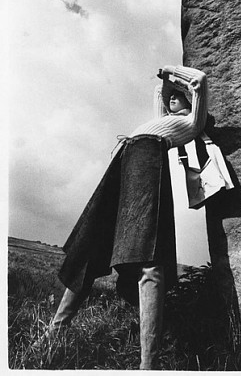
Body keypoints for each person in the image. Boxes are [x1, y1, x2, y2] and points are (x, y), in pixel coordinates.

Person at [36, 64, 209, 370]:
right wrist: (167, 83)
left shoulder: (192, 122)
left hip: (147, 165)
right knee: (89, 245)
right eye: (173, 96)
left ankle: (148, 364)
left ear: (190, 104)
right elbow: (160, 90)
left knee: (147, 258)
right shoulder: (160, 119)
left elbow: (200, 80)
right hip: (125, 160)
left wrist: (172, 71)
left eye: (180, 97)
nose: (173, 98)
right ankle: (55, 332)